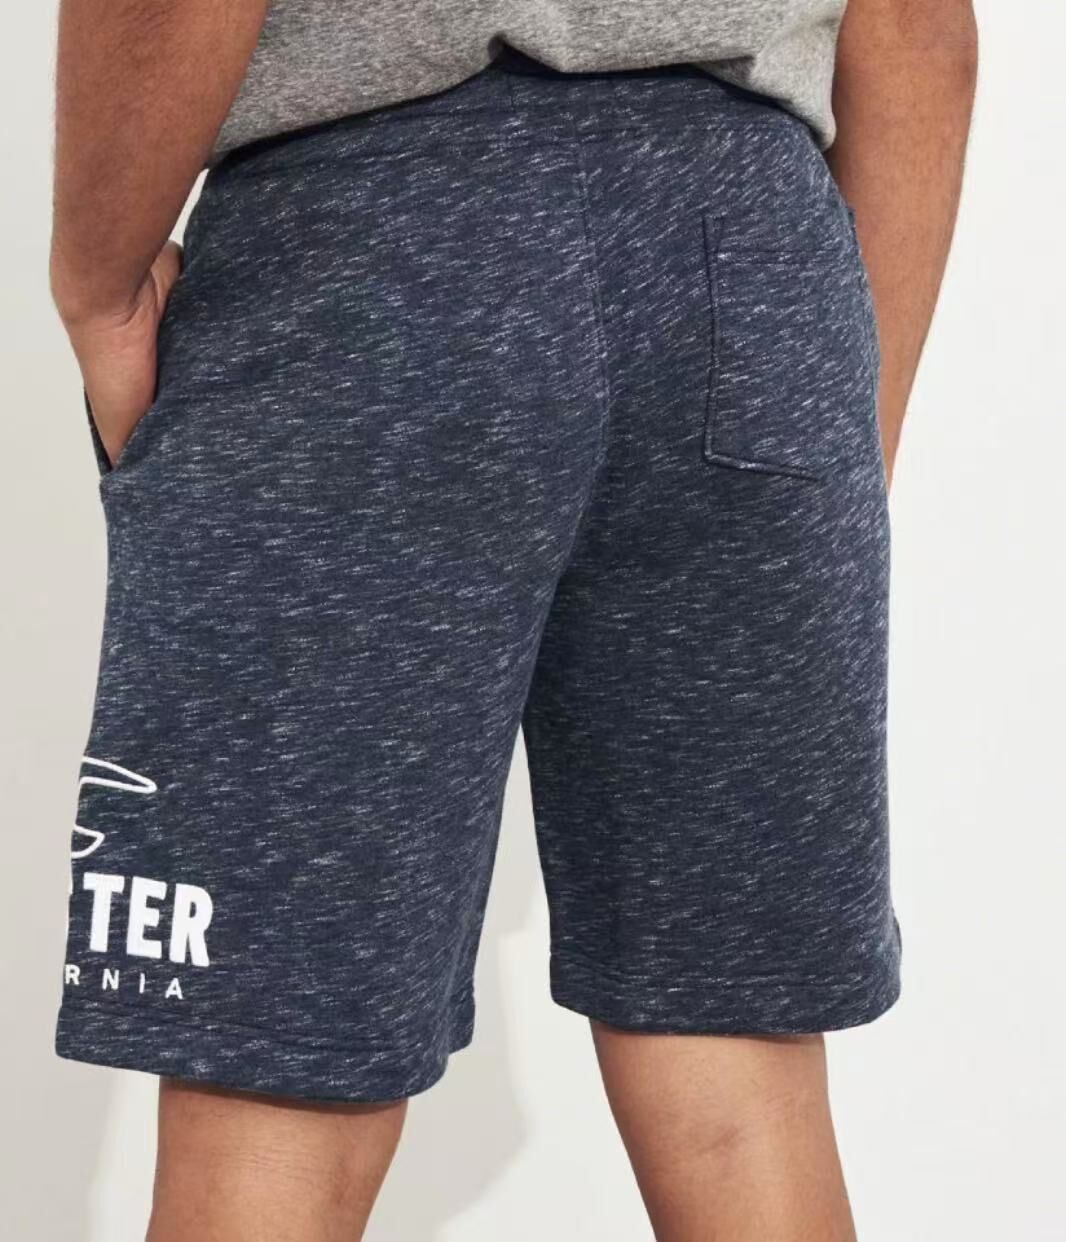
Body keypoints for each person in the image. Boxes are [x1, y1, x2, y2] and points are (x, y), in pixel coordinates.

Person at [50, 1, 976, 1237]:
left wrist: (96, 284)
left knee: (274, 1082)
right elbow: (923, 26)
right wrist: (845, 421)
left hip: (372, 244)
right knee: (740, 1064)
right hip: (756, 271)